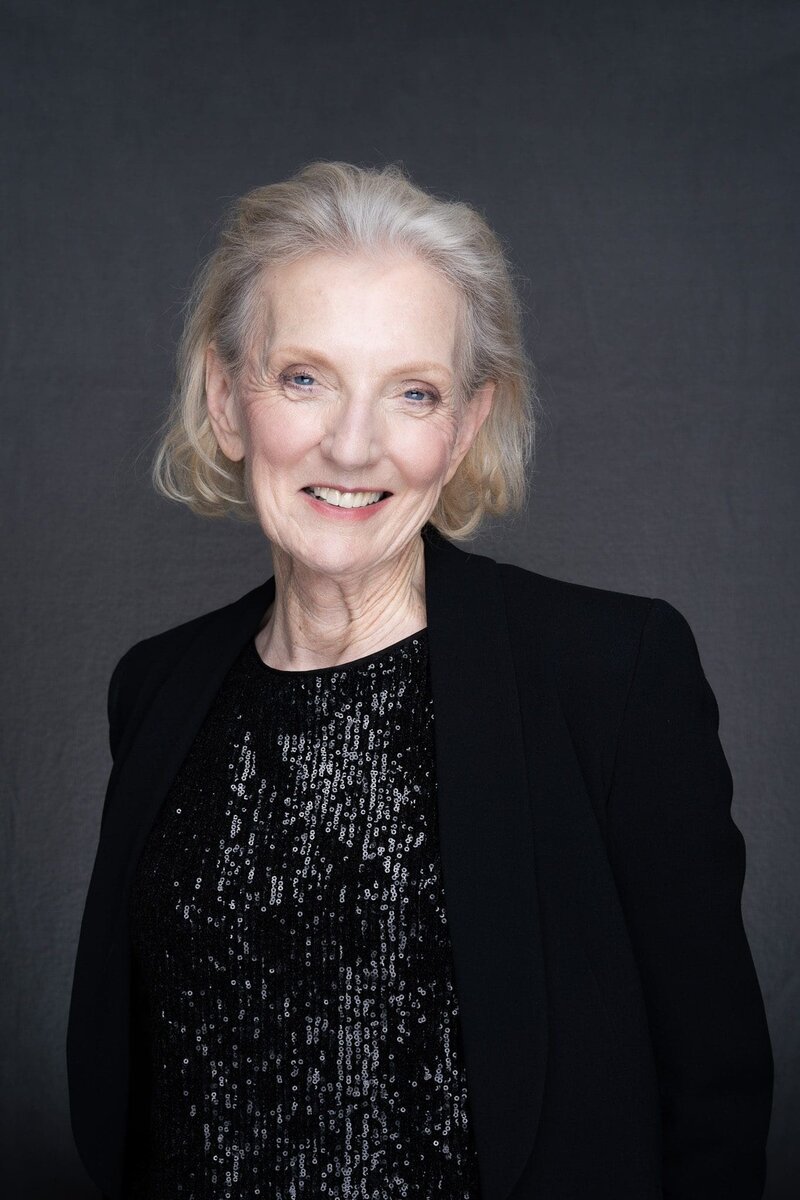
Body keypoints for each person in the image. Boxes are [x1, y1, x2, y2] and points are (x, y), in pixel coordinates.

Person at [66, 160, 774, 1200]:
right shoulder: (157, 690)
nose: (351, 445)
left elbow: (710, 1093)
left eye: (412, 392)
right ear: (225, 400)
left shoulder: (610, 673)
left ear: (466, 426)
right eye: (304, 377)